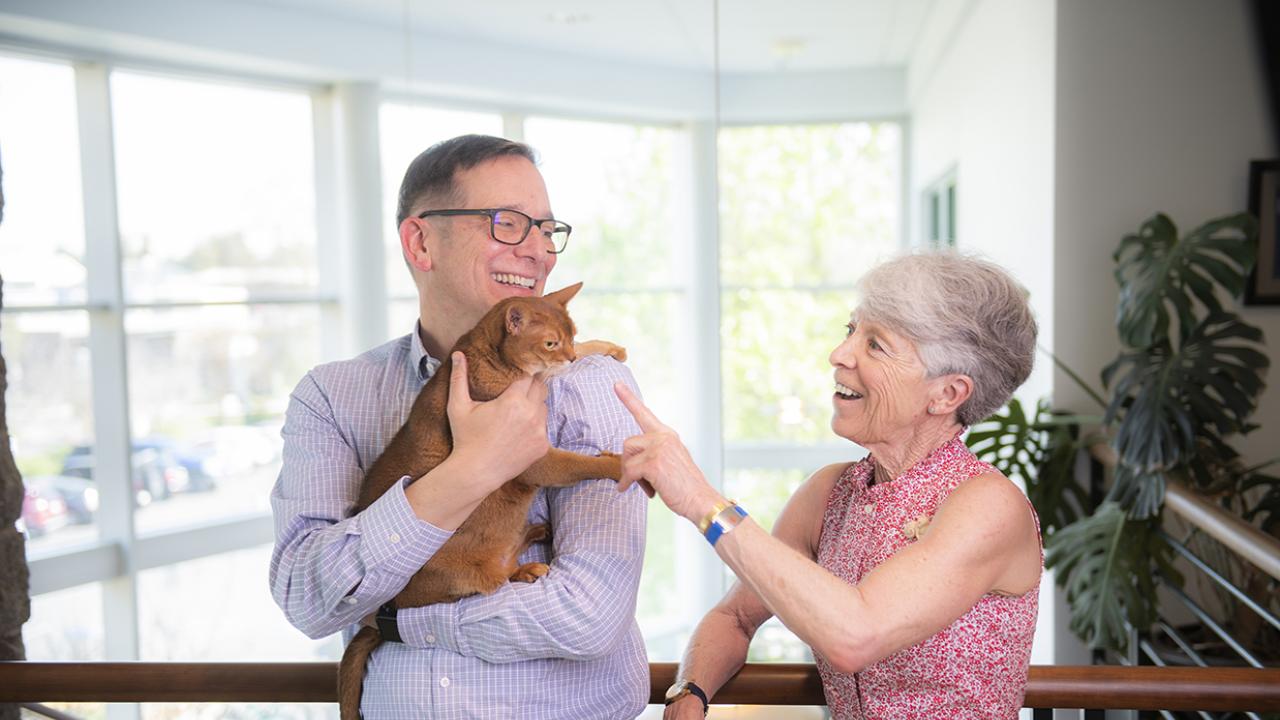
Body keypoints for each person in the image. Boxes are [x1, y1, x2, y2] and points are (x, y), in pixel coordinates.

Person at [269, 134, 649, 719]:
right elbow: (307, 597)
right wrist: (473, 470)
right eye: (507, 223)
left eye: (547, 231)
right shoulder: (333, 396)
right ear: (421, 242)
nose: (539, 253)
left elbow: (588, 616)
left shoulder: (592, 383)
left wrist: (393, 616)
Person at [615, 252, 1042, 719]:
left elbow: (857, 633)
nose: (840, 354)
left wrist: (701, 500)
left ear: (946, 394)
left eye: (876, 344)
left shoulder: (987, 505)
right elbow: (734, 618)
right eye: (850, 330)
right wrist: (690, 692)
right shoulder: (829, 493)